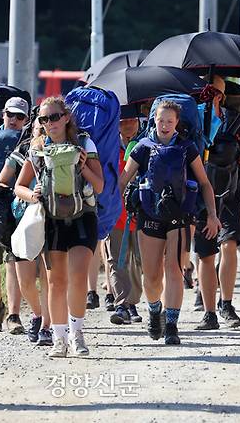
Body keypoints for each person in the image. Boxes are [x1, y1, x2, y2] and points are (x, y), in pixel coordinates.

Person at [120, 100, 221, 345]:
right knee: (152, 276)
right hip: (149, 215)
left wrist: (212, 214)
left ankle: (172, 325)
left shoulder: (187, 148)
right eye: (161, 120)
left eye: (170, 121)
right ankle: (155, 311)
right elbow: (124, 179)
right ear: (153, 119)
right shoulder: (142, 146)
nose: (165, 125)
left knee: (174, 270)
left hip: (180, 216)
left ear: (177, 122)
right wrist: (110, 208)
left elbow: (205, 183)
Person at [15, 96, 104, 357]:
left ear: (66, 117)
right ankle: (59, 338)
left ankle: (77, 335)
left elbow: (99, 186)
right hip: (52, 220)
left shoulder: (85, 143)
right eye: (44, 119)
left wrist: (83, 165)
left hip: (83, 217)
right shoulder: (37, 149)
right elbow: (19, 186)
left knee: (78, 276)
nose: (49, 123)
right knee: (55, 282)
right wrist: (33, 195)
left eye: (54, 117)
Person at [194, 79, 240, 330]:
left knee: (229, 246)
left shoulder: (235, 119)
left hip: (229, 193)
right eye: (207, 93)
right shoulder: (194, 118)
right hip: (201, 196)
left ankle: (226, 304)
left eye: (215, 93)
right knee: (206, 255)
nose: (211, 96)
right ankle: (209, 313)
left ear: (222, 95)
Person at [0, 116, 53, 345]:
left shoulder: (61, 153)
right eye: (40, 128)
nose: (43, 133)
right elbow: (2, 183)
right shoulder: (20, 156)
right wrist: (28, 196)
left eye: (46, 129)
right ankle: (39, 314)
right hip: (23, 220)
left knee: (50, 278)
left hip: (52, 221)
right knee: (26, 280)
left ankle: (48, 324)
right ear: (32, 130)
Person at [0, 97, 29, 335]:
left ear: (26, 120)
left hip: (18, 206)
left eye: (20, 117)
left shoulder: (29, 140)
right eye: (10, 115)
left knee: (14, 260)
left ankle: (13, 314)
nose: (14, 120)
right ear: (3, 114)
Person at [105, 113, 144, 325]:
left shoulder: (147, 144)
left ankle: (133, 302)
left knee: (137, 261)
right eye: (123, 120)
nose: (128, 124)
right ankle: (121, 304)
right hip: (114, 211)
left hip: (140, 211)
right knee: (116, 259)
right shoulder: (108, 146)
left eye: (131, 119)